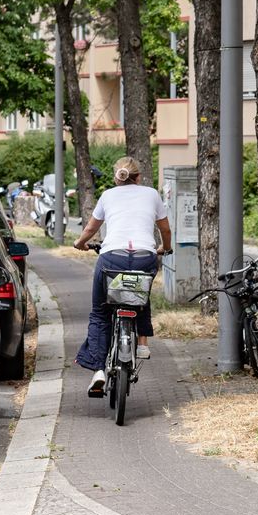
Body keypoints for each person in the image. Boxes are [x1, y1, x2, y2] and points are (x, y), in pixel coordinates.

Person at [72, 157, 172, 397]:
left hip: (111, 259)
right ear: (139, 177)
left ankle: (97, 371)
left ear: (117, 177)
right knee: (140, 294)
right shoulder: (151, 194)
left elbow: (90, 229)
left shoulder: (107, 196)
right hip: (144, 257)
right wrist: (164, 248)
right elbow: (165, 229)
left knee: (100, 313)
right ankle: (142, 345)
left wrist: (80, 243)